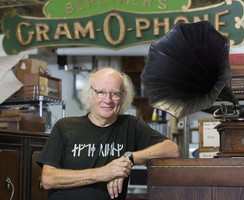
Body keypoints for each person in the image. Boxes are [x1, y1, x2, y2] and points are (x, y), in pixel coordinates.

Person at [37, 67, 181, 200]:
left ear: (123, 97)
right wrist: (104, 173)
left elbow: (173, 150)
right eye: (101, 92)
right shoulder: (64, 126)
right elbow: (48, 179)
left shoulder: (131, 125)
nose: (108, 100)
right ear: (90, 94)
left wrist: (129, 158)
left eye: (115, 94)